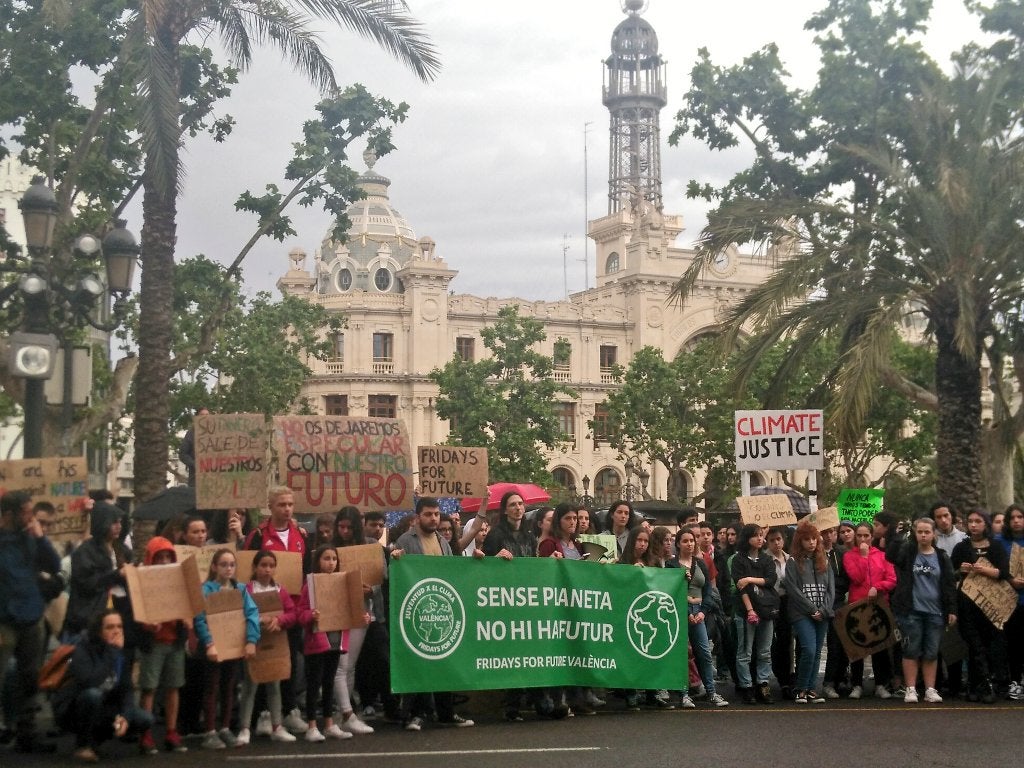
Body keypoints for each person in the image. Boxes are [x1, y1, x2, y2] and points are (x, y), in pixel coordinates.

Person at [391, 498, 475, 730]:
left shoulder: (443, 542)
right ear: (418, 517)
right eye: (429, 514)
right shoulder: (405, 541)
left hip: (441, 608)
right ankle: (416, 714)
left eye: (437, 514)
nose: (434, 518)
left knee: (444, 661)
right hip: (418, 610)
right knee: (419, 662)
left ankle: (446, 713)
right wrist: (395, 559)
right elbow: (396, 574)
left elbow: (451, 573)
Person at [244, 486, 310, 733]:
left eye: (290, 504)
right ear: (270, 507)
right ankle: (263, 714)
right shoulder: (258, 536)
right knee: (264, 660)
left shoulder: (300, 535)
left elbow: (306, 572)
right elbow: (245, 569)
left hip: (290, 610)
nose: (287, 509)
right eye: (282, 504)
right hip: (262, 610)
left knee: (289, 660)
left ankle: (290, 710)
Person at [0, 491, 61, 754]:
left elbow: (54, 564)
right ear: (8, 515)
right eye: (25, 511)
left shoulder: (30, 538)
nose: (30, 516)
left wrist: (40, 537)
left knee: (30, 676)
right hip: (4, 619)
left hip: (31, 616)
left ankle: (27, 732)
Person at [54, 610, 152, 763]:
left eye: (119, 627)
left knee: (145, 719)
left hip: (105, 706)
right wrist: (112, 652)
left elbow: (127, 689)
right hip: (73, 709)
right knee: (93, 695)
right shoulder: (82, 649)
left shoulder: (122, 653)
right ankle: (83, 745)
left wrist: (125, 717)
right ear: (99, 631)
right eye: (110, 627)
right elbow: (91, 682)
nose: (116, 631)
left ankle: (96, 741)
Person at [193, 549, 260, 749]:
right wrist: (209, 643)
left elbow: (251, 613)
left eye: (232, 564)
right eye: (223, 564)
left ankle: (224, 728)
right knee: (212, 687)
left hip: (233, 646)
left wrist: (251, 640)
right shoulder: (207, 589)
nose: (228, 568)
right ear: (214, 567)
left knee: (229, 687)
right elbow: (200, 618)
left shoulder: (240, 589)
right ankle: (210, 731)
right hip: (213, 647)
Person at [886, 517, 958, 704]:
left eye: (927, 532)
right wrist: (897, 535)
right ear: (915, 533)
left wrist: (951, 609)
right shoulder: (908, 552)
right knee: (911, 649)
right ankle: (910, 688)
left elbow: (949, 584)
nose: (924, 535)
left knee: (931, 651)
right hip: (911, 611)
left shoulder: (941, 556)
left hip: (935, 612)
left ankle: (930, 689)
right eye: (920, 532)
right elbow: (891, 556)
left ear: (934, 534)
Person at [135, 537, 190, 754]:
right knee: (149, 688)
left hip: (174, 640)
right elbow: (137, 612)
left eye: (168, 556)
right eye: (160, 557)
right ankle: (145, 734)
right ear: (151, 559)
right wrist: (147, 625)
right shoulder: (143, 581)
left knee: (173, 686)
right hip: (154, 643)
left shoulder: (178, 579)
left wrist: (187, 619)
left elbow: (187, 604)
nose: (165, 561)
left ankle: (171, 731)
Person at [237, 551, 299, 745]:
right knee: (250, 685)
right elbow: (237, 614)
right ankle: (245, 728)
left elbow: (292, 613)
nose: (267, 569)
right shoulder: (246, 590)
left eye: (271, 565)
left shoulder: (280, 590)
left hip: (274, 641)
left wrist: (278, 620)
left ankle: (277, 726)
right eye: (263, 565)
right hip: (252, 643)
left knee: (274, 685)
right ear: (255, 567)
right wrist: (257, 620)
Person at [950, 509, 1010, 703]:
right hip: (967, 603)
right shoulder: (961, 547)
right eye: (970, 521)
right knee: (973, 645)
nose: (974, 525)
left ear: (986, 524)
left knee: (987, 645)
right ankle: (982, 686)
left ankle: (978, 686)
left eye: (978, 521)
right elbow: (952, 573)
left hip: (990, 603)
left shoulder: (996, 546)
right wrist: (961, 569)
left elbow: (1003, 573)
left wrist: (984, 570)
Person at [296, 545, 354, 742]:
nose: (331, 563)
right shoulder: (310, 584)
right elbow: (300, 612)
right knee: (314, 683)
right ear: (317, 561)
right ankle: (312, 725)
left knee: (329, 682)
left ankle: (329, 724)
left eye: (334, 559)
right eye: (326, 559)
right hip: (316, 641)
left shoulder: (341, 582)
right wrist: (310, 616)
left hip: (335, 639)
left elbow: (349, 608)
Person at [671, 526, 729, 708]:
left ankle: (711, 692)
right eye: (685, 541)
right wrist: (687, 612)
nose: (689, 544)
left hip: (699, 610)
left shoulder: (701, 563)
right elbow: (670, 591)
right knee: (681, 654)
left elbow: (708, 590)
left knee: (704, 652)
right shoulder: (671, 565)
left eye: (691, 541)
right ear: (678, 544)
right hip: (680, 611)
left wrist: (703, 611)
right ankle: (683, 693)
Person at [330, 506, 376, 736]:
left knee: (349, 667)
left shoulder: (367, 546)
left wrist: (371, 588)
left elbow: (380, 574)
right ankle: (347, 713)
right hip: (337, 611)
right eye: (341, 527)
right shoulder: (330, 549)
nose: (345, 531)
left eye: (349, 527)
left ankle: (342, 713)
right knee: (341, 665)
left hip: (361, 609)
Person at [843, 523, 897, 700]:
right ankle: (857, 684)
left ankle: (880, 684)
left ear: (872, 536)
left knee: (879, 647)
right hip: (857, 605)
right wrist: (864, 557)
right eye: (859, 536)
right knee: (858, 648)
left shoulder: (883, 556)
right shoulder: (849, 556)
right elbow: (856, 577)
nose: (863, 539)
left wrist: (878, 587)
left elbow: (891, 580)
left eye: (866, 535)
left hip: (878, 605)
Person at [64, 501, 131, 640]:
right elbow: (88, 583)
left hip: (119, 612)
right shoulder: (85, 552)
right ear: (103, 523)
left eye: (120, 522)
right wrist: (116, 575)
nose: (119, 526)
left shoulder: (122, 550)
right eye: (114, 522)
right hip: (90, 618)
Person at [786, 520, 835, 704]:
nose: (811, 543)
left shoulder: (825, 560)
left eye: (814, 539)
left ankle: (811, 688)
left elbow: (831, 589)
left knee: (816, 652)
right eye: (807, 539)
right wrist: (812, 609)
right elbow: (793, 590)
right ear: (800, 541)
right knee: (808, 649)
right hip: (801, 613)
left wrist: (823, 609)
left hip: (823, 612)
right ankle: (801, 688)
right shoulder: (793, 562)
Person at [730, 523, 777, 705]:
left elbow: (770, 580)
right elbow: (741, 588)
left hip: (766, 610)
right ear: (747, 537)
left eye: (761, 535)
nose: (760, 538)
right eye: (755, 535)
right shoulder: (739, 560)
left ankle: (763, 684)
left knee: (765, 651)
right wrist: (750, 610)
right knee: (745, 652)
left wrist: (750, 579)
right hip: (745, 611)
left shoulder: (766, 559)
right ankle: (747, 686)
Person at [997, 504, 1024, 700]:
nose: (1016, 521)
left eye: (1020, 517)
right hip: (1008, 601)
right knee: (1013, 644)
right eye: (1012, 517)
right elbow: (994, 567)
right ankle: (1014, 681)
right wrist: (1009, 579)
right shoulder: (999, 542)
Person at [820, 525, 850, 699]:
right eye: (825, 532)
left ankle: (839, 678)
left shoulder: (842, 552)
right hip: (820, 600)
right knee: (827, 645)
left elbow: (847, 576)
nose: (829, 536)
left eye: (832, 532)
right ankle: (828, 682)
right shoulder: (816, 553)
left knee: (840, 643)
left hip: (839, 600)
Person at [765, 527, 794, 700]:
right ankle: (767, 678)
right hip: (769, 602)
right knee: (769, 642)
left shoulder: (789, 559)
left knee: (786, 640)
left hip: (787, 602)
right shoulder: (765, 559)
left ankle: (786, 679)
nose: (776, 543)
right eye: (772, 540)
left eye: (778, 539)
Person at [179, 407, 209, 486]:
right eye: (202, 415)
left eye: (207, 415)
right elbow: (182, 454)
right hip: (196, 479)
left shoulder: (217, 433)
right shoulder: (191, 433)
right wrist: (195, 464)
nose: (205, 417)